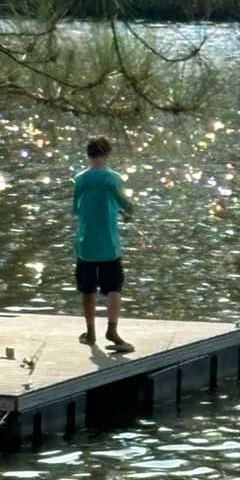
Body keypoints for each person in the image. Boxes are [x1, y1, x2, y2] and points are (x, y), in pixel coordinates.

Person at [73, 136, 135, 352]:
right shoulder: (113, 178)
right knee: (114, 288)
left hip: (86, 244)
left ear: (88, 155)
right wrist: (126, 213)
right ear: (107, 154)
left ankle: (90, 332)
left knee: (87, 290)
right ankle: (112, 330)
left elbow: (77, 209)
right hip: (109, 245)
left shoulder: (80, 179)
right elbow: (127, 205)